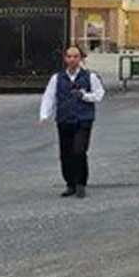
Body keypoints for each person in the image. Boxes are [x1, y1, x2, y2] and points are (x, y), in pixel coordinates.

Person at [38, 45, 105, 199]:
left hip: (83, 119)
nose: (72, 60)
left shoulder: (90, 77)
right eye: (69, 57)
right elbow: (49, 97)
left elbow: (99, 94)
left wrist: (85, 96)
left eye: (75, 57)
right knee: (66, 153)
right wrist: (44, 115)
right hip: (65, 119)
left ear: (81, 59)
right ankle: (70, 184)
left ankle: (81, 183)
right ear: (65, 59)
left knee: (79, 151)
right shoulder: (57, 78)